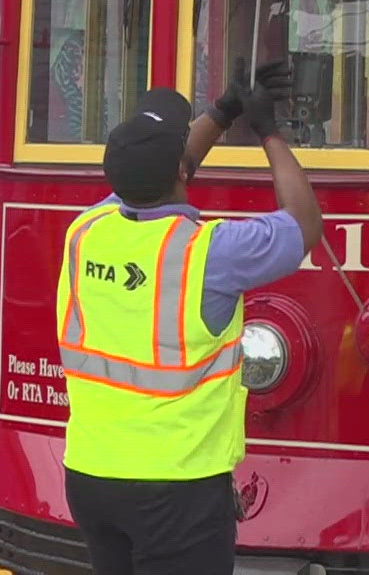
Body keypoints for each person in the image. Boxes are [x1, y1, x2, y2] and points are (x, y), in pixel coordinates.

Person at [56, 62, 324, 574]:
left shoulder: (86, 230)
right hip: (176, 488)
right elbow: (302, 223)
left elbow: (162, 174)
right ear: (180, 171)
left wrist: (222, 114)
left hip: (89, 478)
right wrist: (267, 131)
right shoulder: (209, 253)